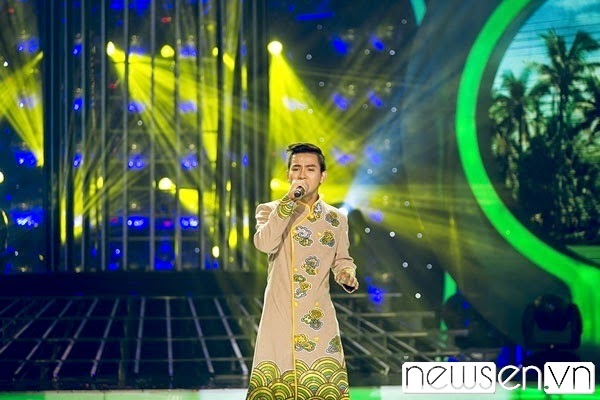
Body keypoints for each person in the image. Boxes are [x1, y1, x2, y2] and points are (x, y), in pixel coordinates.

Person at [246, 143, 359, 400]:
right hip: (280, 314)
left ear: (322, 176)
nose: (302, 175)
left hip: (318, 317)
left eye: (310, 169)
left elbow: (342, 259)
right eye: (296, 168)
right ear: (288, 175)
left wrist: (346, 273)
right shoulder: (270, 209)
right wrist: (288, 202)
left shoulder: (336, 218)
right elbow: (264, 244)